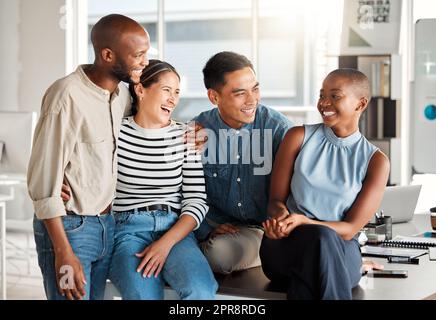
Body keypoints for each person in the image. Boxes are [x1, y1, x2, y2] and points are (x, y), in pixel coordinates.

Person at [27, 14, 151, 300]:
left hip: (106, 225)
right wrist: (63, 252)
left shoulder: (123, 94)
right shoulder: (65, 96)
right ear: (107, 55)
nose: (145, 62)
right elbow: (43, 184)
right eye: (138, 55)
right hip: (70, 230)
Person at [260, 68, 390, 300]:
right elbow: (275, 201)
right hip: (287, 246)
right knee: (318, 244)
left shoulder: (376, 161)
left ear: (360, 104)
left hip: (341, 250)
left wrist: (304, 221)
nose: (324, 103)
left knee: (321, 239)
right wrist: (280, 219)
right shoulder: (297, 137)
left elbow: (350, 229)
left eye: (335, 96)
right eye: (322, 95)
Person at [108, 60, 217, 299]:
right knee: (143, 295)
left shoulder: (187, 136)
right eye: (166, 90)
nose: (173, 99)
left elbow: (196, 200)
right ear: (140, 89)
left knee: (201, 290)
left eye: (177, 92)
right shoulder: (115, 133)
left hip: (175, 229)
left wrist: (165, 243)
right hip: (128, 231)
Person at [193, 51, 294, 274]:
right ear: (214, 97)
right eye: (240, 93)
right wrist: (207, 228)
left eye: (255, 89)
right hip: (215, 229)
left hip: (262, 230)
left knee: (219, 255)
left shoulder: (279, 129)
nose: (252, 100)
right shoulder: (198, 130)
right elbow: (183, 190)